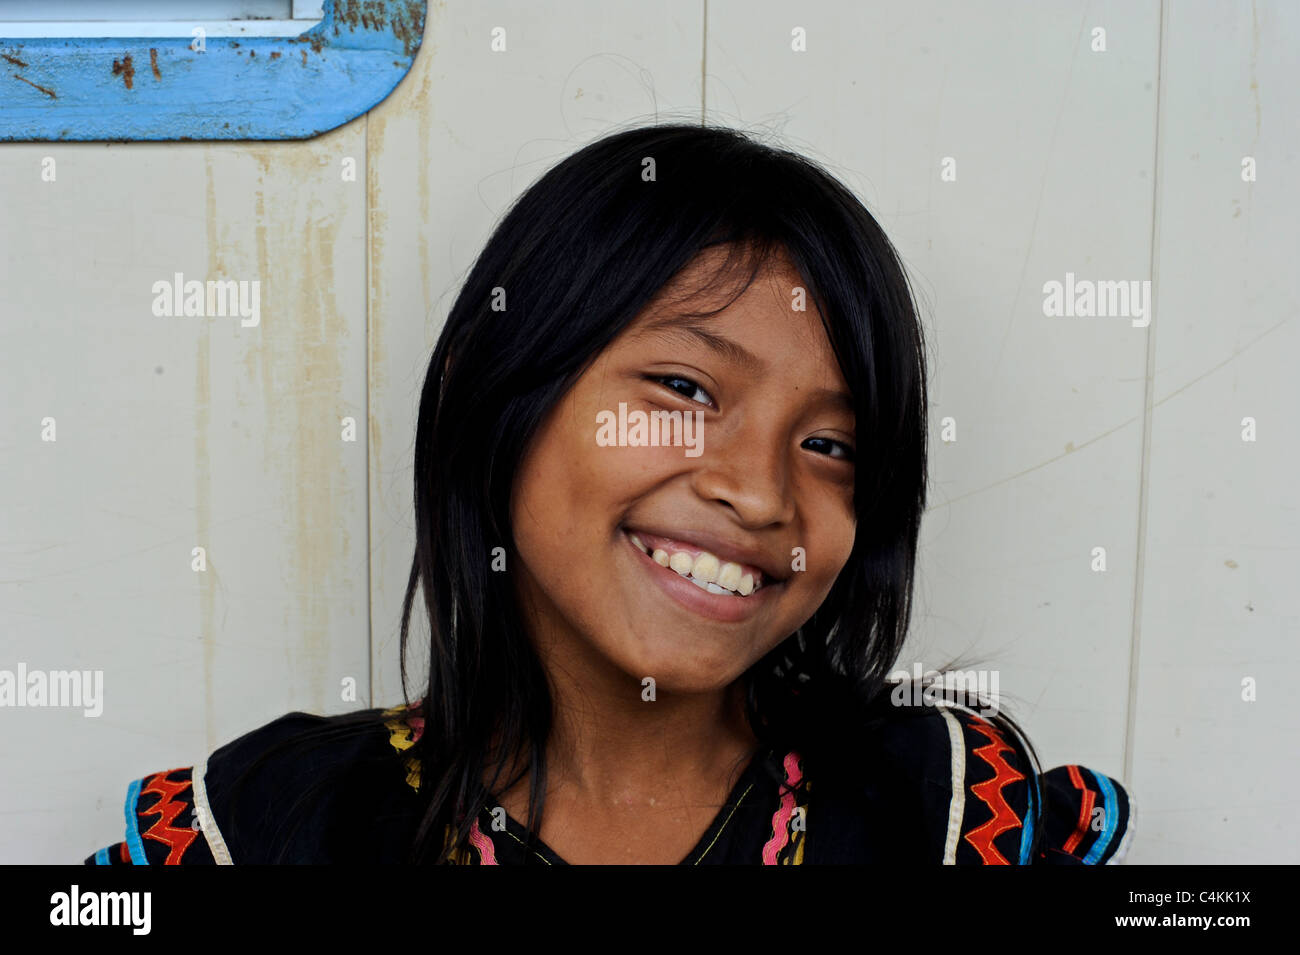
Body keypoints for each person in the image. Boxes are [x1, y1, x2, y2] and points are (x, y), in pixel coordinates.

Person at [86, 122, 1133, 865]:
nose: (758, 492)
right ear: (496, 393)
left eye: (829, 443)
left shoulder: (941, 811)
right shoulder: (282, 824)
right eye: (684, 389)